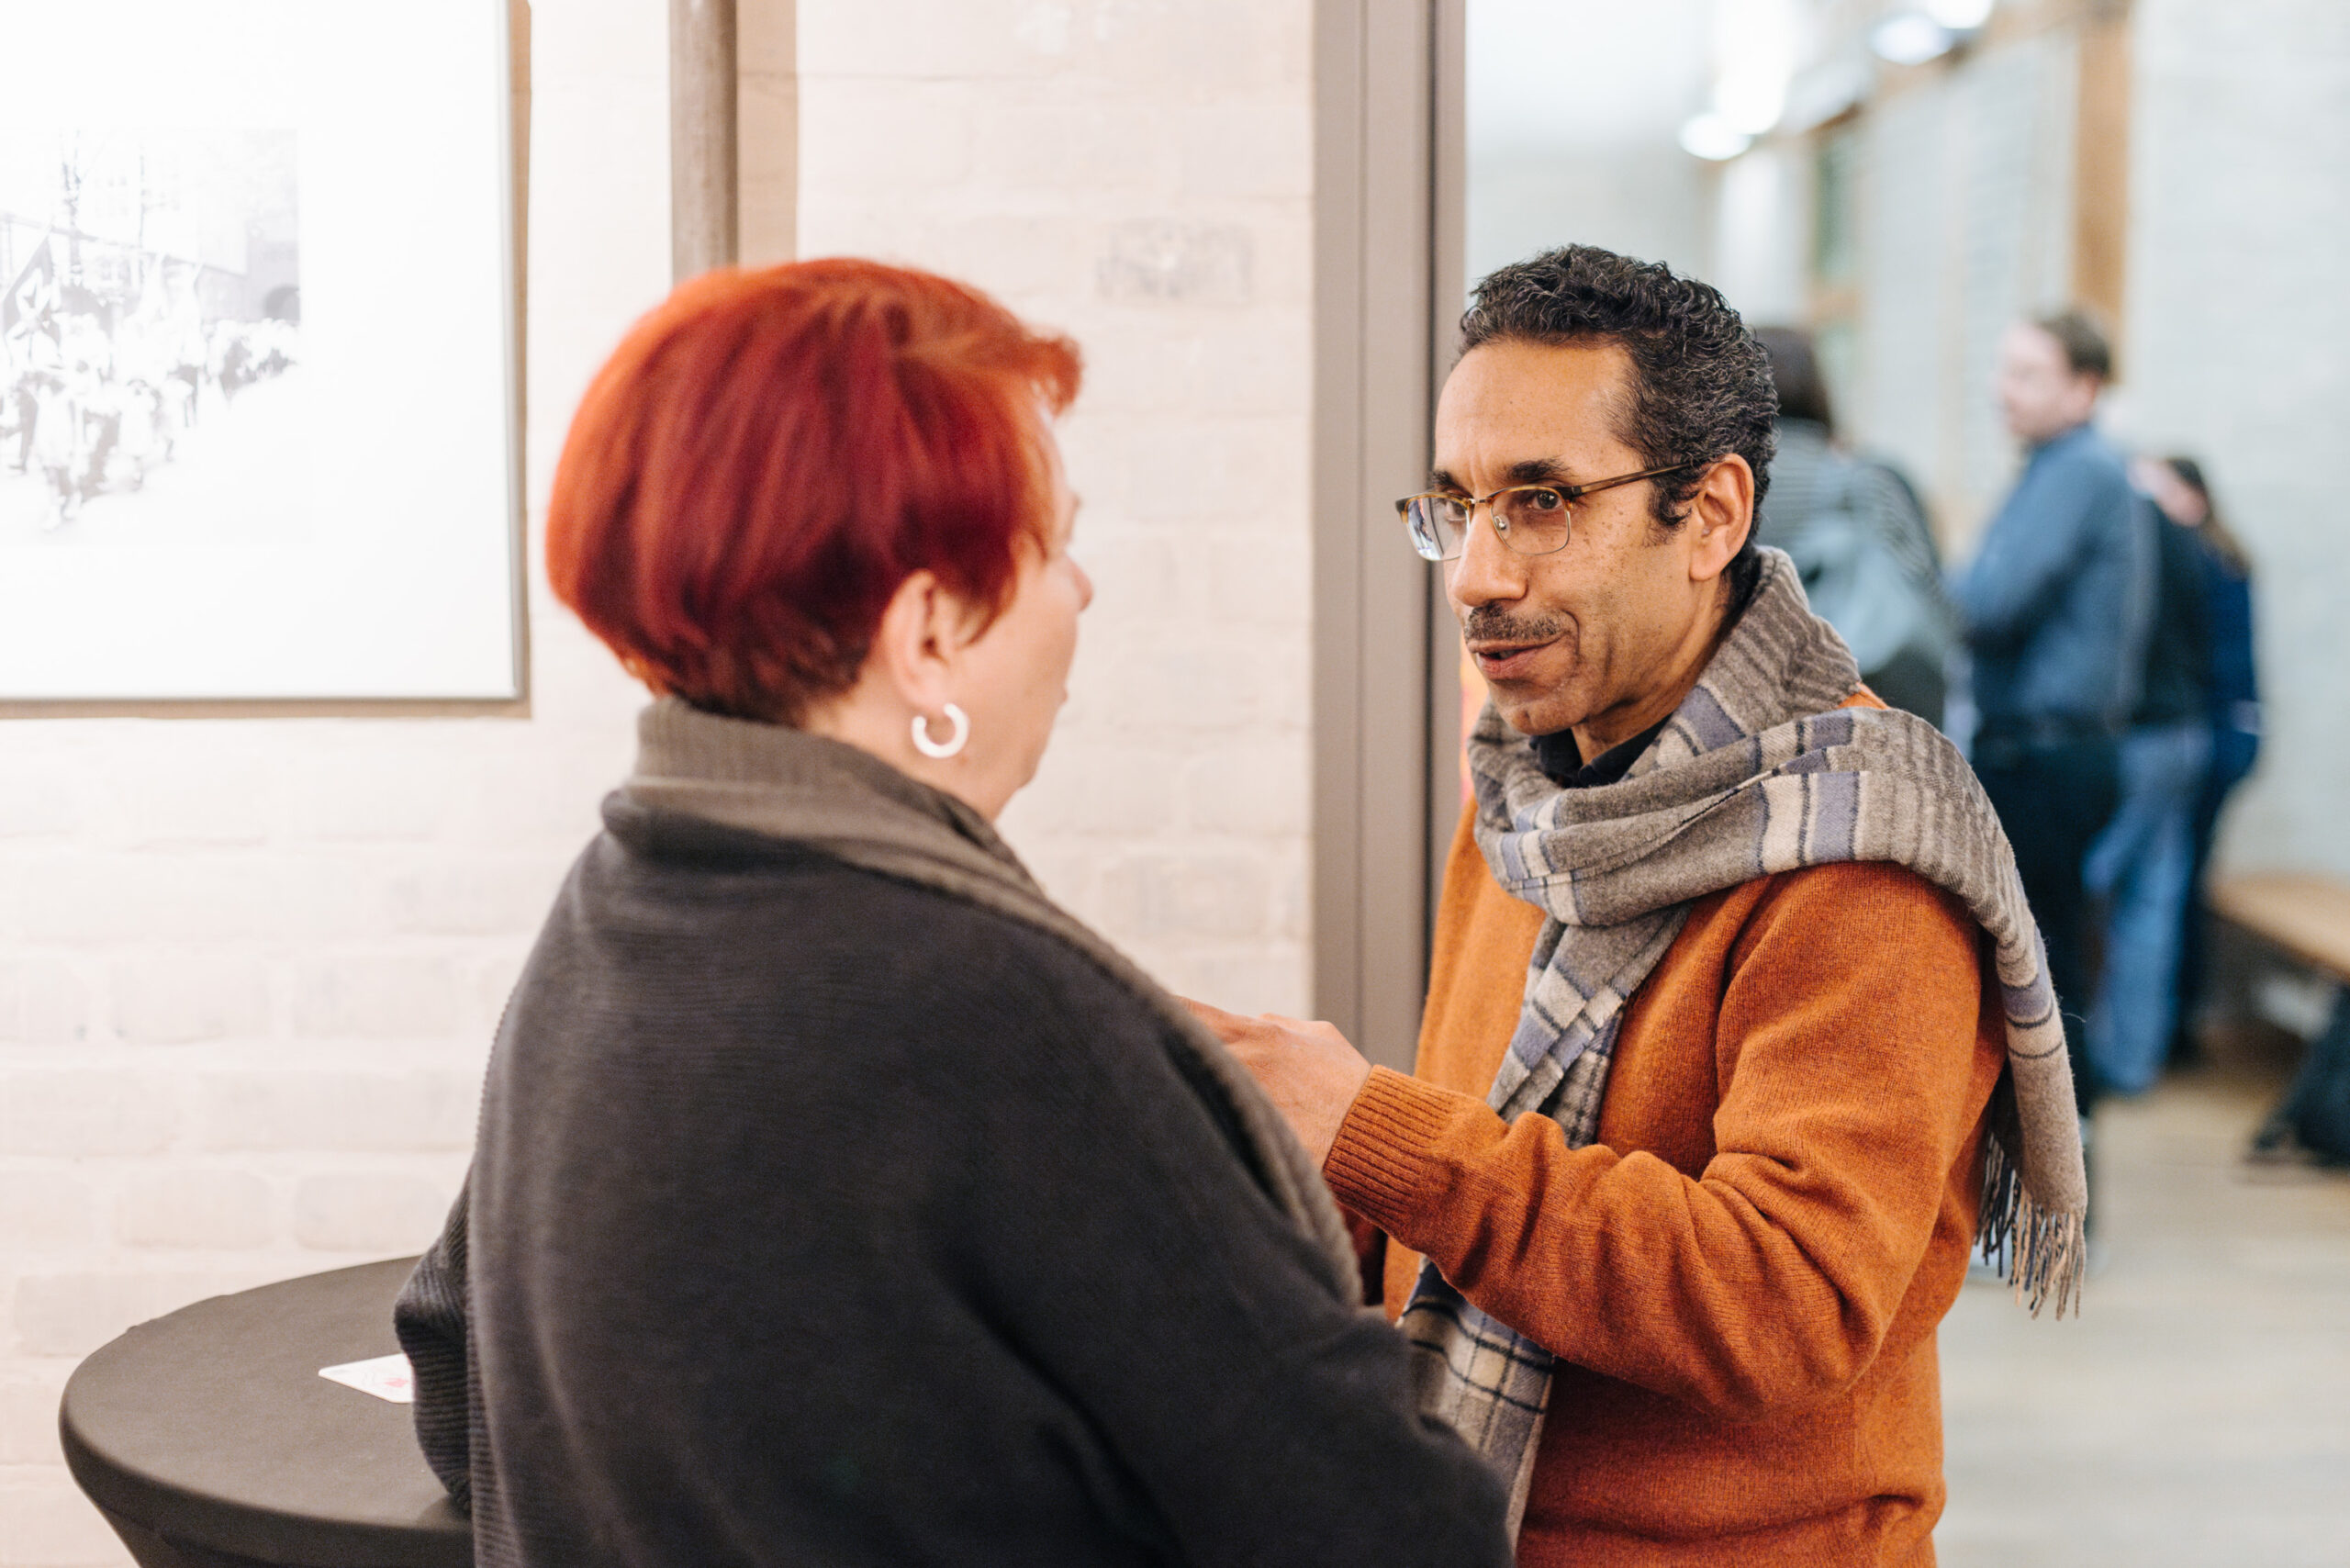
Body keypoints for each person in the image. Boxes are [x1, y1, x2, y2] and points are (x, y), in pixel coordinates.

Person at [391, 260, 1513, 1568]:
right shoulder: (1004, 1017)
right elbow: (1397, 1535)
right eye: (1055, 548)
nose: (1081, 594)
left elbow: (455, 1380)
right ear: (929, 634)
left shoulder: (611, 912)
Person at [1188, 245, 2087, 1566]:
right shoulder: (1531, 792)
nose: (1474, 576)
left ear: (1711, 514)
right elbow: (1486, 1161)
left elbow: (1788, 1303)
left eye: (1542, 502)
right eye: (1458, 505)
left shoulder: (1855, 853)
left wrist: (1376, 1132)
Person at [1950, 309, 2154, 1115]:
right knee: (2038, 968)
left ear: (2085, 388)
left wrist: (1958, 585)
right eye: (2004, 370)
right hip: (2034, 751)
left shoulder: (2081, 470)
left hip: (2048, 756)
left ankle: (2063, 1206)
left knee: (2044, 976)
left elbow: (1989, 601)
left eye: (2028, 374)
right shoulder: (2049, 467)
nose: (2005, 391)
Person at [2080, 453, 2223, 1094]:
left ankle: (2076, 1061)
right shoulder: (2183, 536)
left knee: (2093, 885)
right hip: (2184, 732)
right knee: (2154, 899)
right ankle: (2133, 1061)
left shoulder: (2117, 528)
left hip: (2136, 733)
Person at [1751, 325, 1953, 726]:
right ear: (1818, 387)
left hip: (1751, 709)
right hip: (1866, 702)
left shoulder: (1713, 488)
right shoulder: (1866, 479)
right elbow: (1927, 586)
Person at [2135, 456, 2260, 1063]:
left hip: (2212, 735)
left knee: (2175, 886)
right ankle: (2170, 1028)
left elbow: (2225, 668)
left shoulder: (2212, 563)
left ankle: (2177, 1025)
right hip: (2208, 733)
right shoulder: (2206, 558)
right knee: (2176, 884)